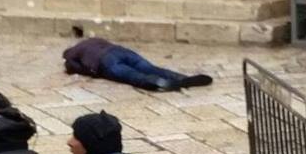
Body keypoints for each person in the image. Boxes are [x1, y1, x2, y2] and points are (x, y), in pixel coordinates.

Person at [63, 37, 212, 91]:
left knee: (131, 75)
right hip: (120, 50)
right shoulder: (92, 40)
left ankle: (157, 83)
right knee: (149, 67)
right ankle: (180, 78)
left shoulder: (71, 54)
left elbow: (72, 67)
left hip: (104, 61)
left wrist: (91, 71)